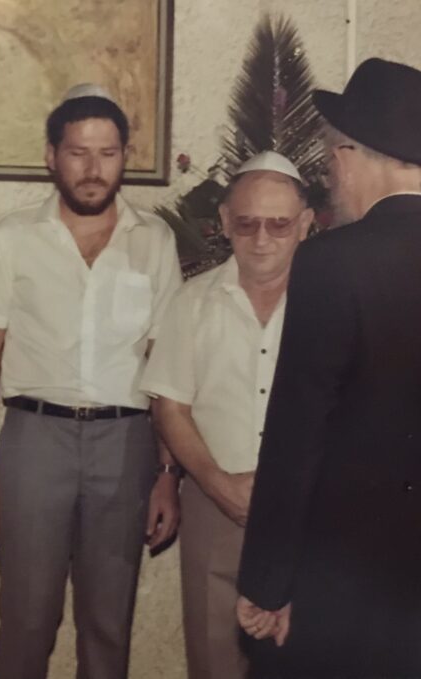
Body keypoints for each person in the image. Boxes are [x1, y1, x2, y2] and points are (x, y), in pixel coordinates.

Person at [234, 58, 421, 678]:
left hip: (336, 575)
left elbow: (295, 437)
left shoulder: (329, 263)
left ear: (346, 156)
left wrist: (265, 581)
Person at [0, 84, 183, 679]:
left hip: (126, 443)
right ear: (51, 156)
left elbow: (166, 366)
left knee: (109, 622)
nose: (92, 169)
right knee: (26, 618)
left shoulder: (154, 241)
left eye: (107, 153)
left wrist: (167, 475)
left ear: (125, 157)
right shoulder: (12, 237)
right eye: (78, 152)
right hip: (35, 440)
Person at [141, 151, 312, 679]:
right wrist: (217, 484)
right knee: (214, 659)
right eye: (246, 223)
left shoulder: (332, 304)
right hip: (214, 507)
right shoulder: (191, 302)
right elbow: (170, 405)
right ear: (223, 222)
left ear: (306, 224)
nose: (261, 239)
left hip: (309, 517)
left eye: (278, 224)